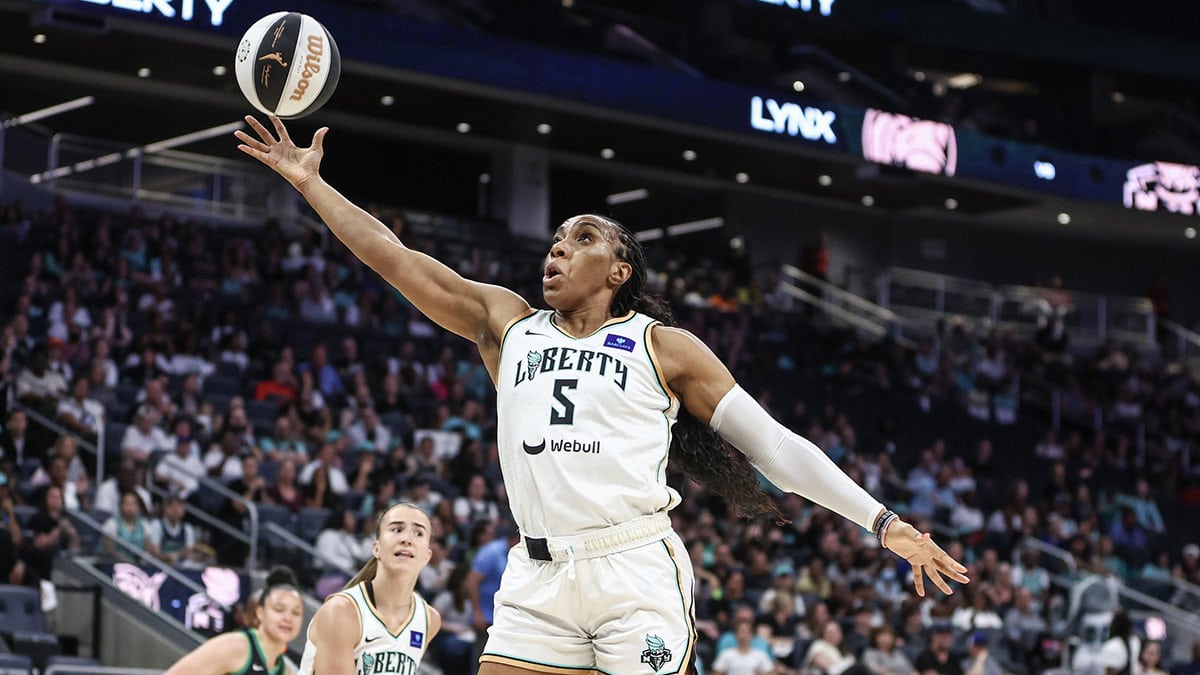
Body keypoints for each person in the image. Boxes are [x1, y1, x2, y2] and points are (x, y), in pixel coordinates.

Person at [236, 115, 969, 675]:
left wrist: (882, 521)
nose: (557, 247)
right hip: (537, 575)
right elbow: (392, 258)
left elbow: (773, 445)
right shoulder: (506, 323)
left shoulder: (663, 346)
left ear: (619, 270)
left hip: (633, 572)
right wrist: (310, 183)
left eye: (581, 237)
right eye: (555, 237)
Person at [296, 501, 441, 675]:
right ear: (377, 548)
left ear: (427, 556)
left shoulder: (429, 619)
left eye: (418, 533)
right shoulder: (341, 611)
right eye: (397, 529)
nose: (406, 539)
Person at [164, 566, 304, 675]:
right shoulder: (236, 646)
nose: (288, 618)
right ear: (260, 612)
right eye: (279, 609)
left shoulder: (285, 670)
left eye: (296, 612)